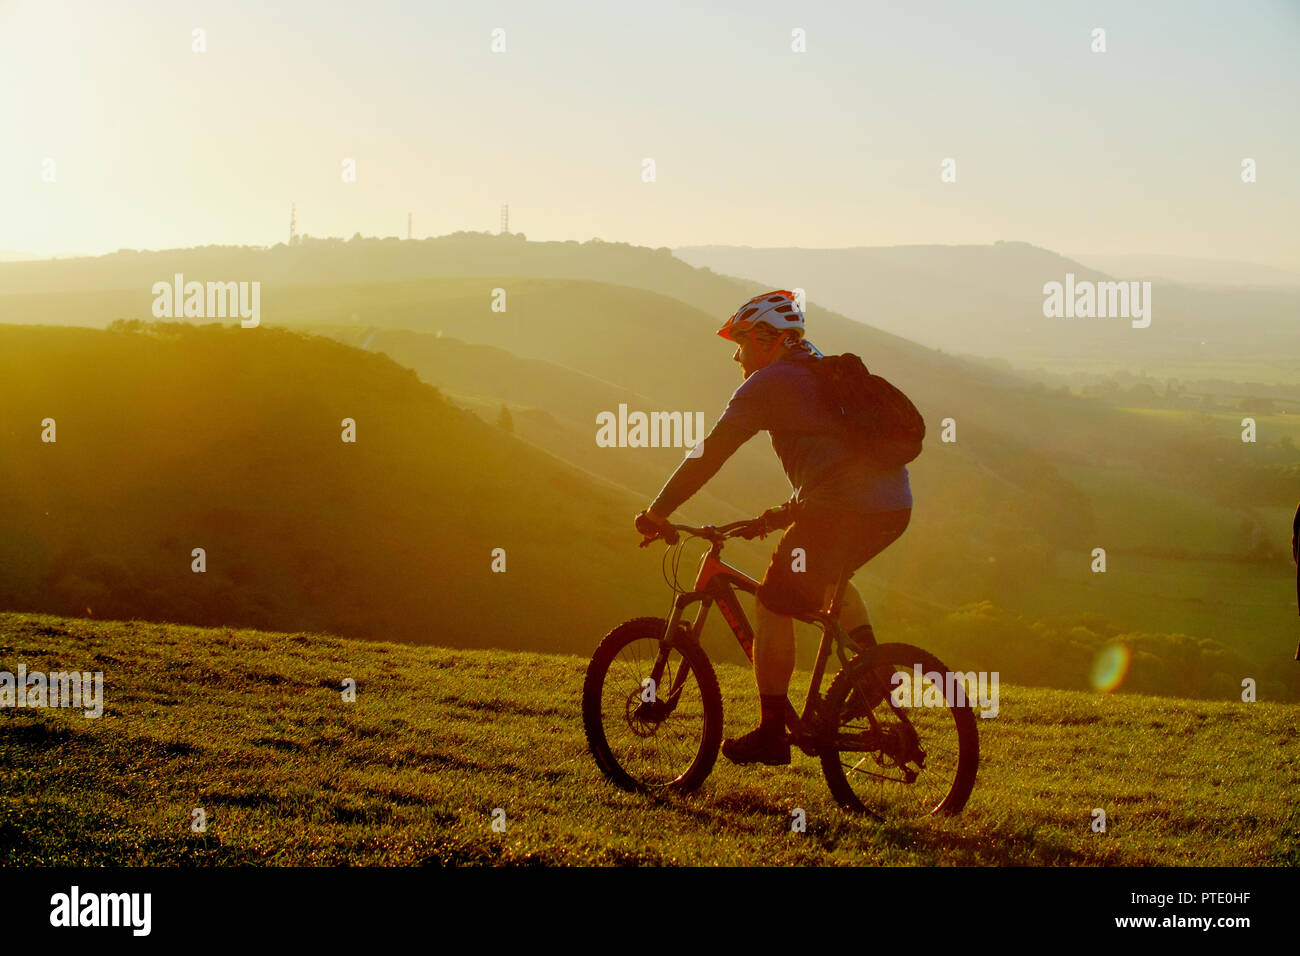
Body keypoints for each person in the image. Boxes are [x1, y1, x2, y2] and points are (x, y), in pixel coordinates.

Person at [635, 290, 913, 766]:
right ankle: (872, 667)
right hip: (892, 507)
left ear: (768, 339)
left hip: (843, 507)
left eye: (741, 341)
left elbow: (710, 454)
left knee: (770, 604)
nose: (735, 354)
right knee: (828, 577)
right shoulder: (822, 371)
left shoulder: (770, 383)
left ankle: (770, 733)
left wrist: (658, 511)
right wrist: (783, 513)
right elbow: (834, 459)